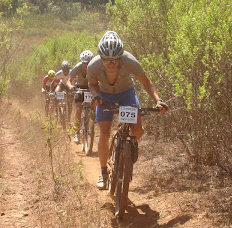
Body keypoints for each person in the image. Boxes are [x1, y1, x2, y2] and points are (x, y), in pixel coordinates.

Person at [87, 31, 169, 190]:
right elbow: (92, 84)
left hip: (126, 94)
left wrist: (158, 100)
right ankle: (103, 172)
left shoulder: (130, 61)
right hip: (105, 96)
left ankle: (128, 147)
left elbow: (147, 83)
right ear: (101, 58)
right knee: (104, 133)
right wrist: (96, 96)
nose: (111, 64)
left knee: (138, 130)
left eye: (115, 60)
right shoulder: (93, 65)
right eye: (107, 60)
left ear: (121, 57)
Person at [70, 50, 94, 143]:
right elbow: (70, 78)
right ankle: (77, 133)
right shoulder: (77, 67)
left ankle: (91, 123)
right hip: (79, 88)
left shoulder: (94, 67)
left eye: (88, 63)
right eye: (84, 63)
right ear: (82, 62)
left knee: (94, 107)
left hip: (90, 88)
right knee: (79, 110)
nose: (86, 65)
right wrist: (71, 86)